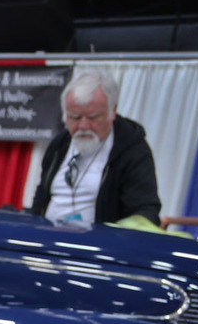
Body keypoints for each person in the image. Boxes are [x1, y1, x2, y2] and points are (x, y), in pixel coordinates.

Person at [29, 69, 160, 226]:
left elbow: (145, 212)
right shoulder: (59, 144)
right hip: (50, 236)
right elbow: (41, 197)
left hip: (99, 244)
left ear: (113, 112)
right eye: (75, 117)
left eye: (93, 117)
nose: (83, 126)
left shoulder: (132, 150)